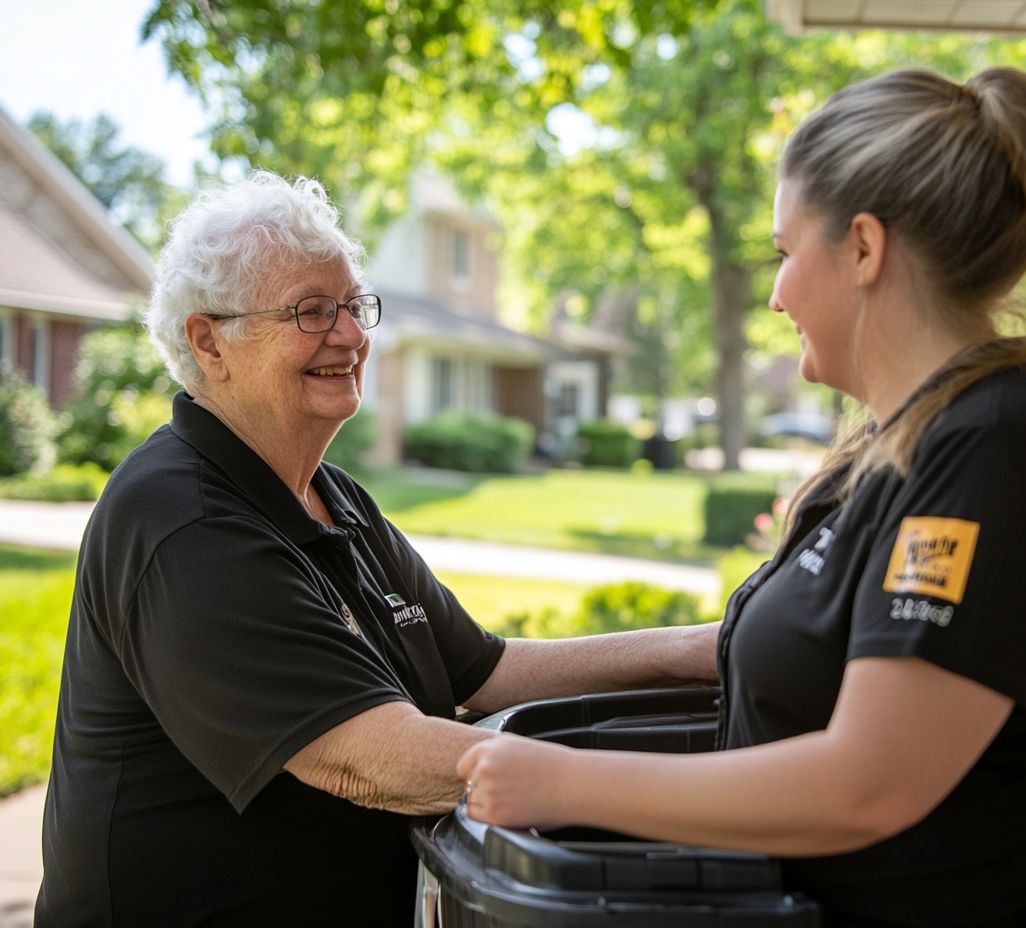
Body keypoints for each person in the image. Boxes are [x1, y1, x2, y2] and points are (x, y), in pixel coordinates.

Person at [458, 67, 1026, 927]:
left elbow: (869, 783)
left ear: (864, 248)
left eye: (786, 253)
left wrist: (561, 778)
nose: (776, 293)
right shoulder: (897, 446)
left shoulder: (1000, 451)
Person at [34, 170, 718, 927]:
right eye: (311, 311)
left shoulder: (332, 494)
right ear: (209, 341)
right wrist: (696, 789)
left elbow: (484, 670)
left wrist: (694, 649)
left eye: (354, 307)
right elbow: (375, 758)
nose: (354, 337)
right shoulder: (181, 520)